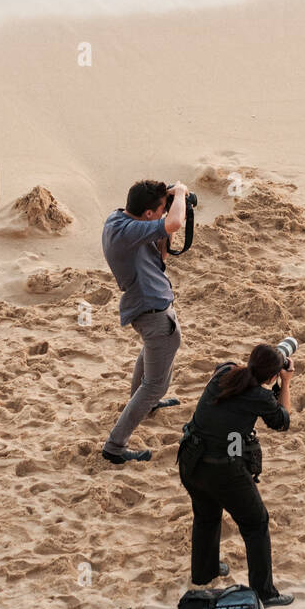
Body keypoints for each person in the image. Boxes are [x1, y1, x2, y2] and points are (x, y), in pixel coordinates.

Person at [176, 344, 295, 608]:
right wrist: (285, 384)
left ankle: (204, 573)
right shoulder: (261, 397)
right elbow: (283, 420)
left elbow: (238, 379)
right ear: (272, 376)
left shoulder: (225, 372)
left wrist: (270, 369)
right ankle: (265, 593)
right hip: (223, 471)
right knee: (256, 523)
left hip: (190, 461)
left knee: (206, 516)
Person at [101, 179, 188, 464]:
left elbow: (160, 254)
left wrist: (165, 206)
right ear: (148, 214)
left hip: (143, 306)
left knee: (152, 354)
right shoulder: (130, 231)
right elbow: (174, 223)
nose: (165, 213)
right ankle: (115, 446)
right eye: (161, 209)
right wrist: (182, 193)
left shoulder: (117, 220)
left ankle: (146, 406)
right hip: (152, 310)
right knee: (155, 385)